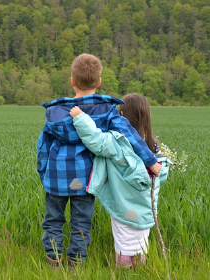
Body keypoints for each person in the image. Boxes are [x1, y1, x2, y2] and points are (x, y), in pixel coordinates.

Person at [37, 54, 161, 268]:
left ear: (72, 81)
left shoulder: (55, 113)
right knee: (81, 222)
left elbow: (43, 147)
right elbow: (130, 136)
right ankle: (77, 262)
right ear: (99, 82)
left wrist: (44, 173)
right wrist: (151, 161)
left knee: (53, 220)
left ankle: (53, 259)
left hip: (56, 177)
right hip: (86, 178)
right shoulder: (106, 111)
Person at [70, 93, 170, 269]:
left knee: (124, 241)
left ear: (121, 116)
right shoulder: (153, 146)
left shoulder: (119, 142)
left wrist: (80, 118)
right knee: (140, 243)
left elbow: (96, 140)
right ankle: (139, 270)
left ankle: (123, 271)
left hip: (123, 206)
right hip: (146, 208)